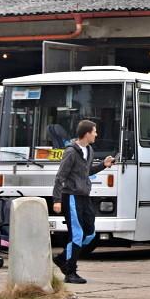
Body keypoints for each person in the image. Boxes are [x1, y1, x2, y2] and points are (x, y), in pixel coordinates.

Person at [52, 120, 115, 285]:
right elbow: (60, 176)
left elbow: (87, 172)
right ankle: (70, 272)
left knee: (90, 233)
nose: (96, 134)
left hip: (84, 196)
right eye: (94, 131)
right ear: (87, 133)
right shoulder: (71, 152)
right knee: (77, 234)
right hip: (71, 196)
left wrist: (103, 165)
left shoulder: (89, 150)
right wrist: (57, 200)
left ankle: (61, 258)